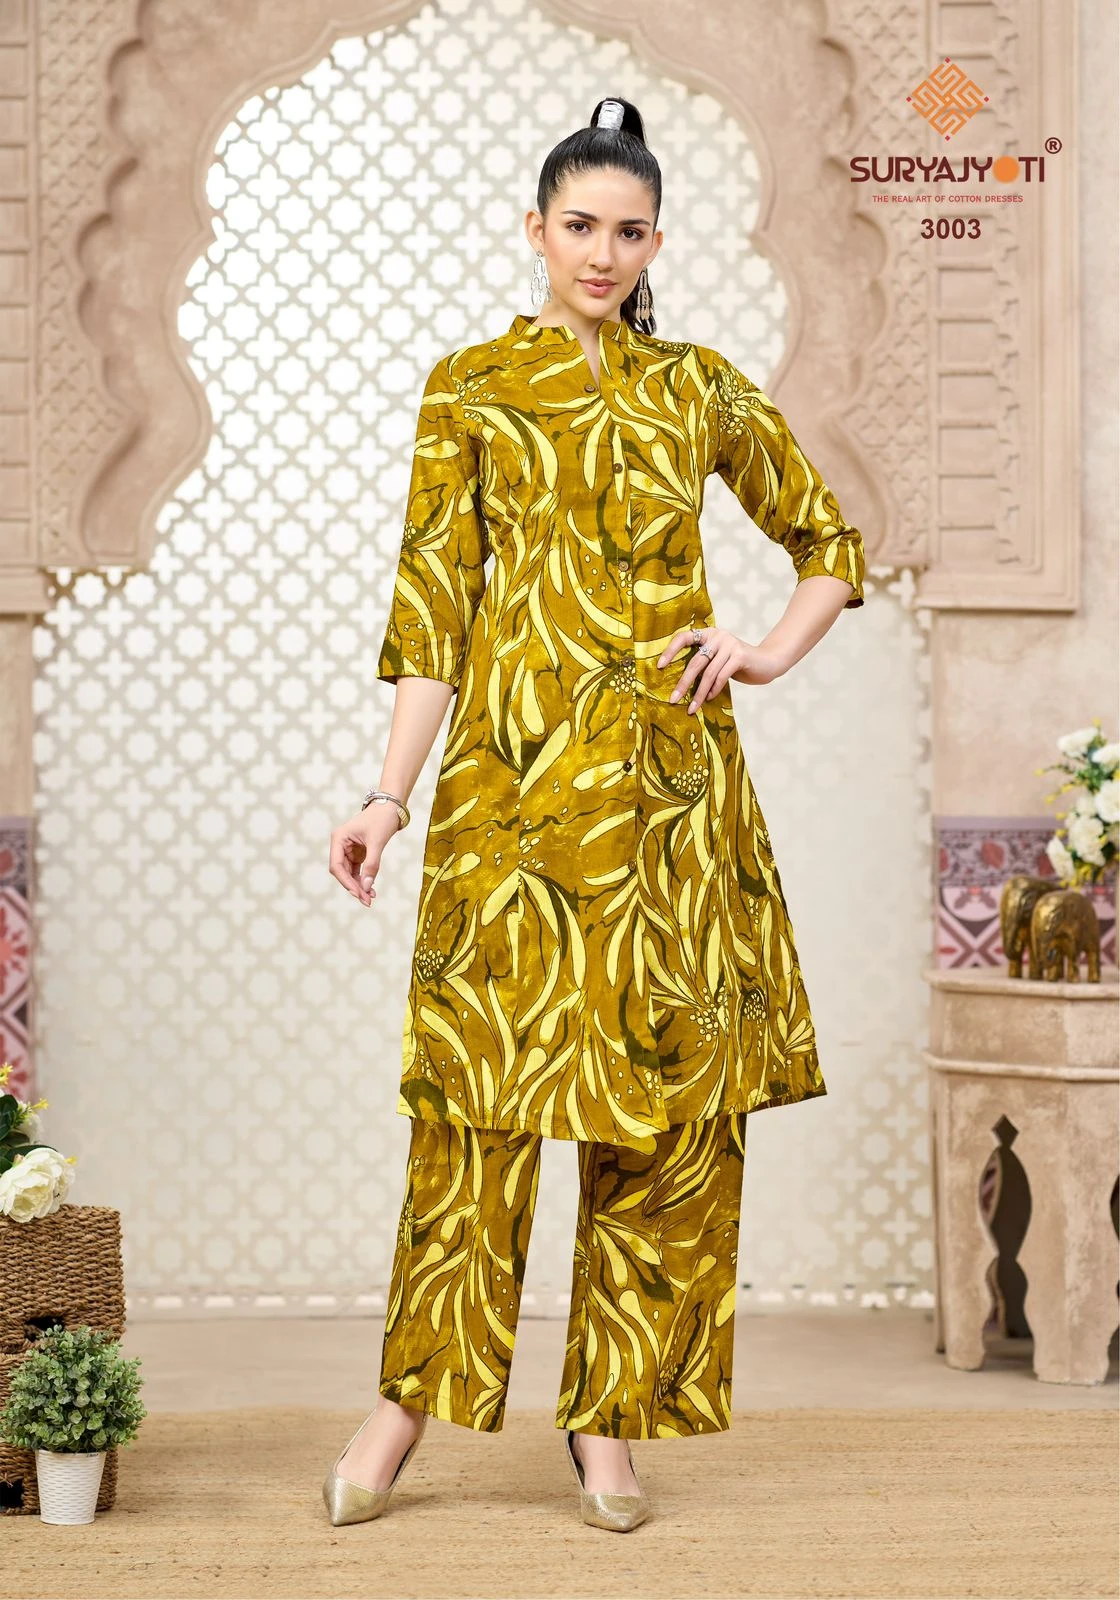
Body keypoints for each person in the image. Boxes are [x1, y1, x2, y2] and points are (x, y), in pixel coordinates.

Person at [323, 94, 865, 1533]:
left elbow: (828, 539)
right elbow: (434, 613)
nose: (603, 254)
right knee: (476, 1109)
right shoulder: (471, 387)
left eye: (629, 232)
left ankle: (611, 1426)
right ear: (537, 230)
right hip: (508, 802)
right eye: (580, 226)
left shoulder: (698, 387)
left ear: (656, 244)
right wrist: (387, 796)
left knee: (667, 1126)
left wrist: (763, 651)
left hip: (672, 812)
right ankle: (404, 1412)